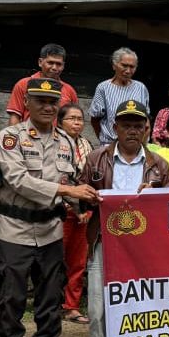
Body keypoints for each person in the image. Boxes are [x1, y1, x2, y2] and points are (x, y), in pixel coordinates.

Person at [0, 78, 99, 337]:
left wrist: (83, 201)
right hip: (14, 231)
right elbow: (18, 180)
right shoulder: (9, 138)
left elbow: (70, 181)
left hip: (52, 232)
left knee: (50, 303)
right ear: (27, 103)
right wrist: (67, 191)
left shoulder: (66, 142)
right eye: (39, 100)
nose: (47, 106)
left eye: (52, 102)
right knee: (11, 302)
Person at [81, 100, 169, 337]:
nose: (132, 131)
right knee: (97, 308)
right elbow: (82, 198)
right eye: (126, 125)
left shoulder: (158, 165)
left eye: (138, 125)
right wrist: (90, 198)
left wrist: (156, 197)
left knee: (135, 308)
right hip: (103, 242)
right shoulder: (96, 159)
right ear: (115, 128)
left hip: (141, 248)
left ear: (146, 129)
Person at [58, 103, 94, 324]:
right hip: (59, 209)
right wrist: (71, 204)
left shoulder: (87, 145)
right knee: (54, 260)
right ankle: (52, 304)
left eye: (80, 119)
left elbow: (90, 178)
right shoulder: (53, 143)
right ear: (60, 122)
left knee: (78, 262)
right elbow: (56, 179)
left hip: (83, 212)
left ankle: (71, 306)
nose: (76, 123)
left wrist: (86, 209)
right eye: (71, 119)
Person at [6, 43, 79, 125]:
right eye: (50, 63)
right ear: (40, 62)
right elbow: (15, 116)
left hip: (59, 137)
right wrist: (15, 136)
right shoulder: (23, 84)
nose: (54, 67)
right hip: (29, 136)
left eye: (58, 64)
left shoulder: (70, 91)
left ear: (63, 66)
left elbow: (74, 120)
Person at [90, 47, 150, 146]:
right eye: (124, 65)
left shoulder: (141, 88)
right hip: (110, 144)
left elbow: (146, 119)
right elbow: (95, 119)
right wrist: (105, 141)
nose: (128, 70)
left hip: (136, 146)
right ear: (114, 65)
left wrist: (142, 144)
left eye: (132, 67)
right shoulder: (103, 88)